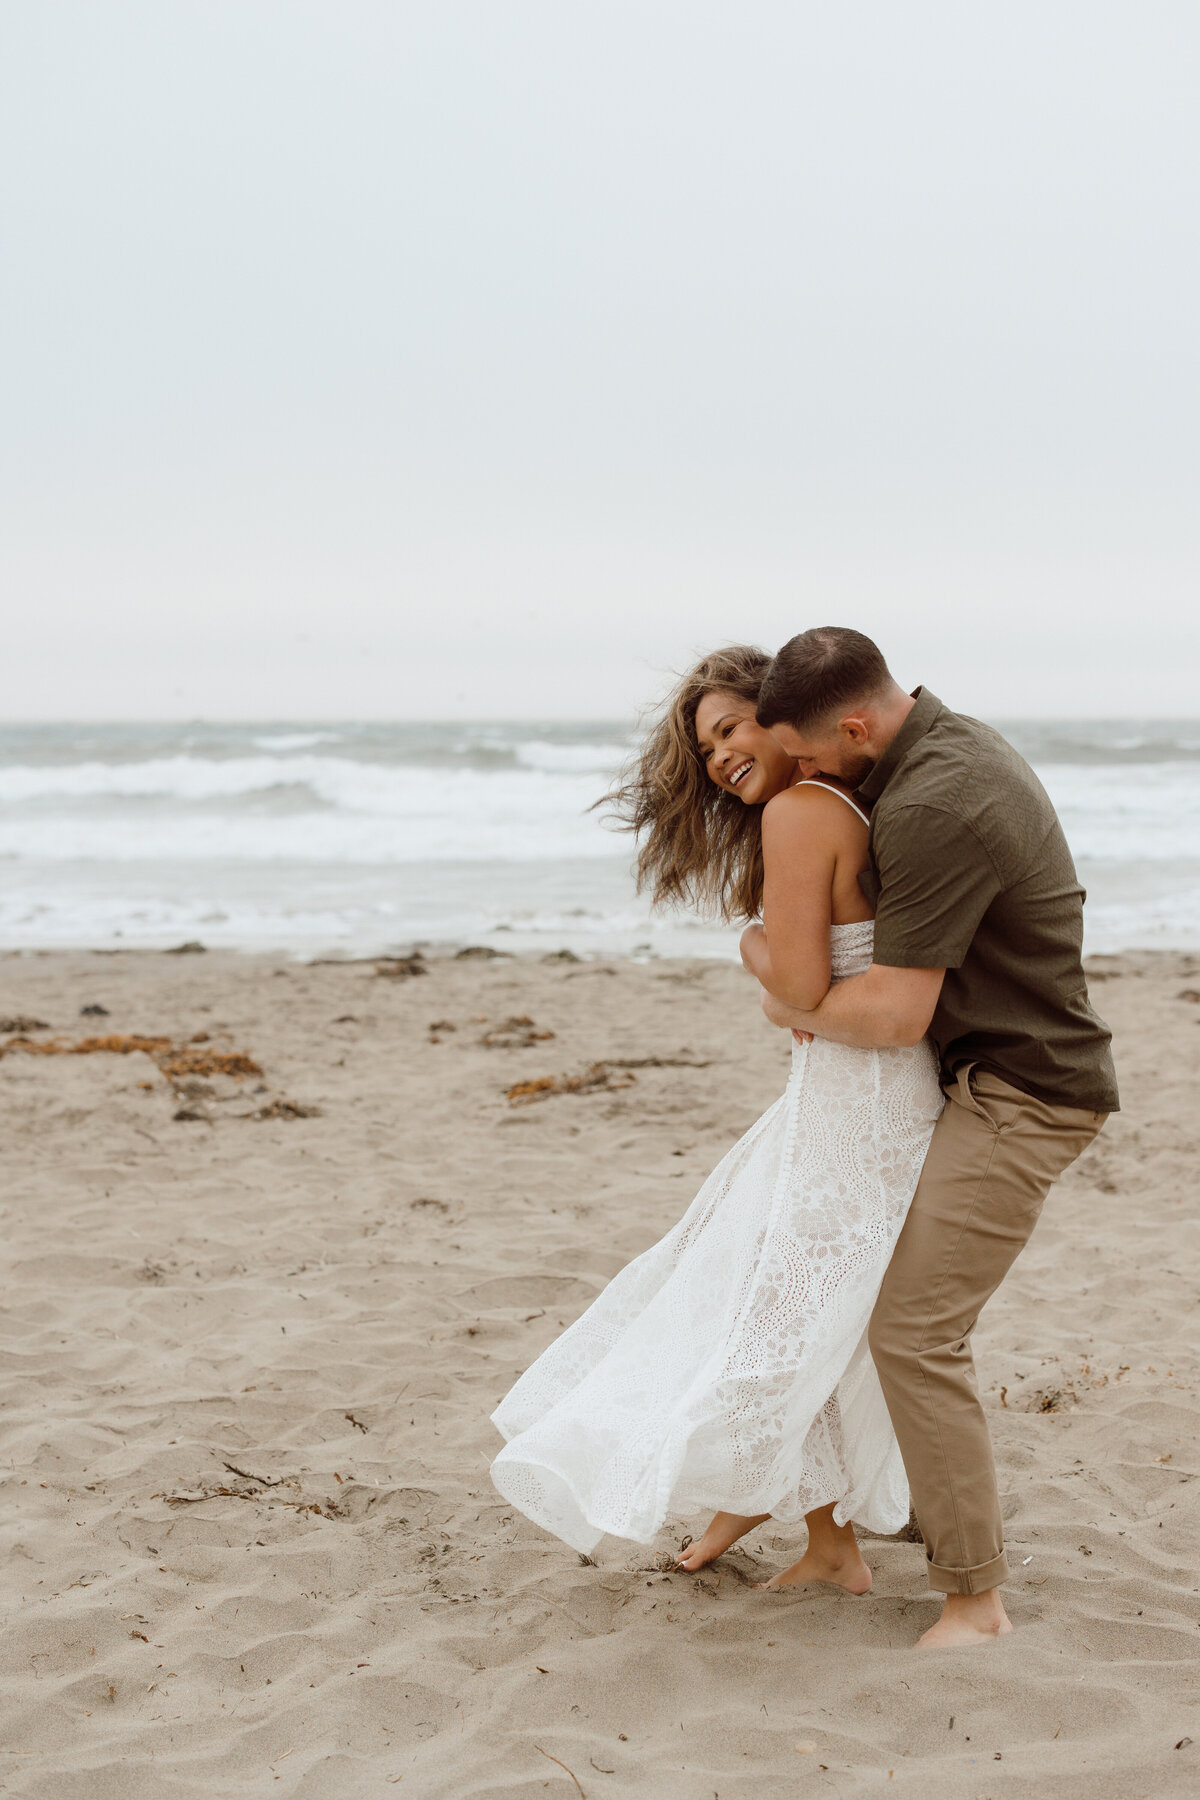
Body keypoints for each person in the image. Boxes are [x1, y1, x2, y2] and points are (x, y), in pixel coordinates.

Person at [489, 647, 944, 1596]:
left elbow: (801, 984)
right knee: (807, 1307)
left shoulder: (798, 812)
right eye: (704, 746)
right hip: (863, 1092)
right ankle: (830, 1547)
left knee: (779, 1309)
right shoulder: (834, 807)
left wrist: (748, 947)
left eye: (731, 727)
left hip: (861, 1101)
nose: (719, 757)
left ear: (783, 722)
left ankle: (756, 1500)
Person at [750, 626, 1118, 1647]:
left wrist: (784, 994)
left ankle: (975, 1599)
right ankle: (861, 1536)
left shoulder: (935, 804)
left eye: (815, 755)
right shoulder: (937, 751)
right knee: (869, 1294)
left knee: (914, 1331)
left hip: (1026, 1094)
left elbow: (896, 1015)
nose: (809, 776)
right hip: (982, 1079)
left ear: (857, 725)